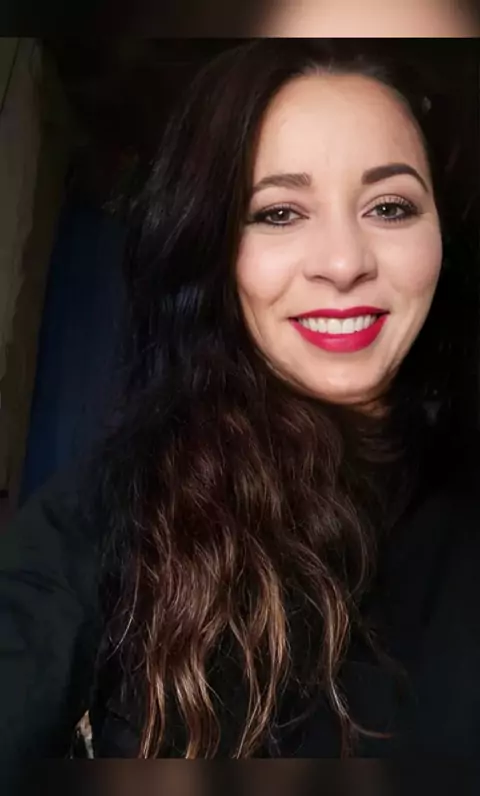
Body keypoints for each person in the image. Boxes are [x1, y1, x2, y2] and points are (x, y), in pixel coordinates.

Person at [0, 39, 479, 775]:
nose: (345, 263)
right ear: (215, 246)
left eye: (390, 207)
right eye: (280, 213)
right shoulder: (124, 501)